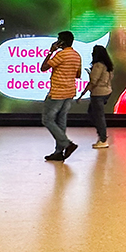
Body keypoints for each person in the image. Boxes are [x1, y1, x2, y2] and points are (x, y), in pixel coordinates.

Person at [40, 31, 82, 161]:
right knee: (61, 121)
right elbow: (78, 75)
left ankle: (67, 144)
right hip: (70, 92)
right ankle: (59, 152)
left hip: (57, 93)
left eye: (58, 40)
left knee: (47, 119)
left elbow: (43, 67)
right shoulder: (76, 55)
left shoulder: (61, 55)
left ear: (61, 42)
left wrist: (50, 51)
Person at [77, 45, 114, 148]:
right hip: (107, 91)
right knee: (94, 113)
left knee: (98, 116)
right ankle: (102, 135)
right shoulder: (108, 65)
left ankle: (103, 139)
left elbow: (93, 82)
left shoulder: (98, 65)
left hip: (98, 93)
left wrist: (82, 94)